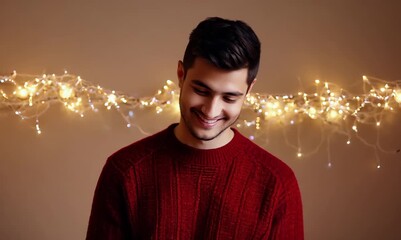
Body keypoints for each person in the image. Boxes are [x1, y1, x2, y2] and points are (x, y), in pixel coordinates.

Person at [86, 17, 304, 239]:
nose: (211, 111)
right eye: (201, 91)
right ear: (181, 75)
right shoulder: (124, 171)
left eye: (229, 98)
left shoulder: (277, 183)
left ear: (248, 90)